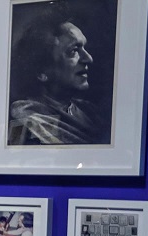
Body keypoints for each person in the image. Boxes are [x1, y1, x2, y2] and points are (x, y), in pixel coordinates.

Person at [7, 8, 109, 145]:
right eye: (73, 51)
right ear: (41, 72)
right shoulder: (24, 121)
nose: (88, 58)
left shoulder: (91, 112)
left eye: (84, 48)